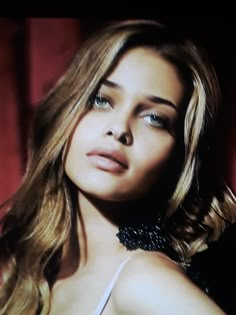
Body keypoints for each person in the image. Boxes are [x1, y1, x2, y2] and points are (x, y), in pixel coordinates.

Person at [0, 19, 235, 315]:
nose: (119, 129)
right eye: (101, 100)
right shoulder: (25, 269)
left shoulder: (144, 282)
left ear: (178, 158)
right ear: (65, 110)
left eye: (155, 119)